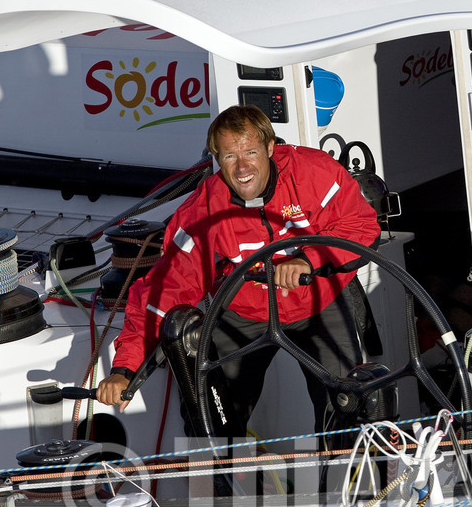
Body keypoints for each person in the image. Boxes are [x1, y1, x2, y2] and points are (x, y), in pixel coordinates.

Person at [96, 105, 381, 443]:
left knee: (350, 404)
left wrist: (309, 260)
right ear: (216, 159)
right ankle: (220, 492)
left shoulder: (316, 173)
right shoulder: (202, 213)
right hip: (244, 312)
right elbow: (166, 290)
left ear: (270, 148)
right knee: (209, 412)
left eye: (250, 152)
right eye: (230, 156)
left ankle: (354, 489)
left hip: (321, 301)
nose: (242, 167)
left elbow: (361, 226)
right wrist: (125, 368)